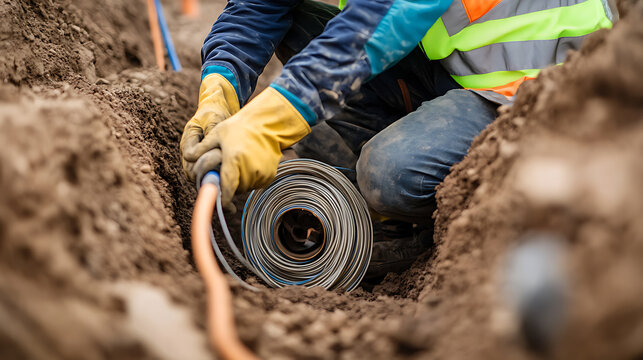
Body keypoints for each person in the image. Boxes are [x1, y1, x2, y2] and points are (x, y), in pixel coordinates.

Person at [180, 0, 617, 278]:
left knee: (387, 173)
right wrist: (219, 92)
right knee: (305, 21)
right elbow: (259, 7)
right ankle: (389, 199)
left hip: (539, 84)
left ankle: (430, 230)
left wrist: (268, 124)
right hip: (456, 69)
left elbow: (387, 19)